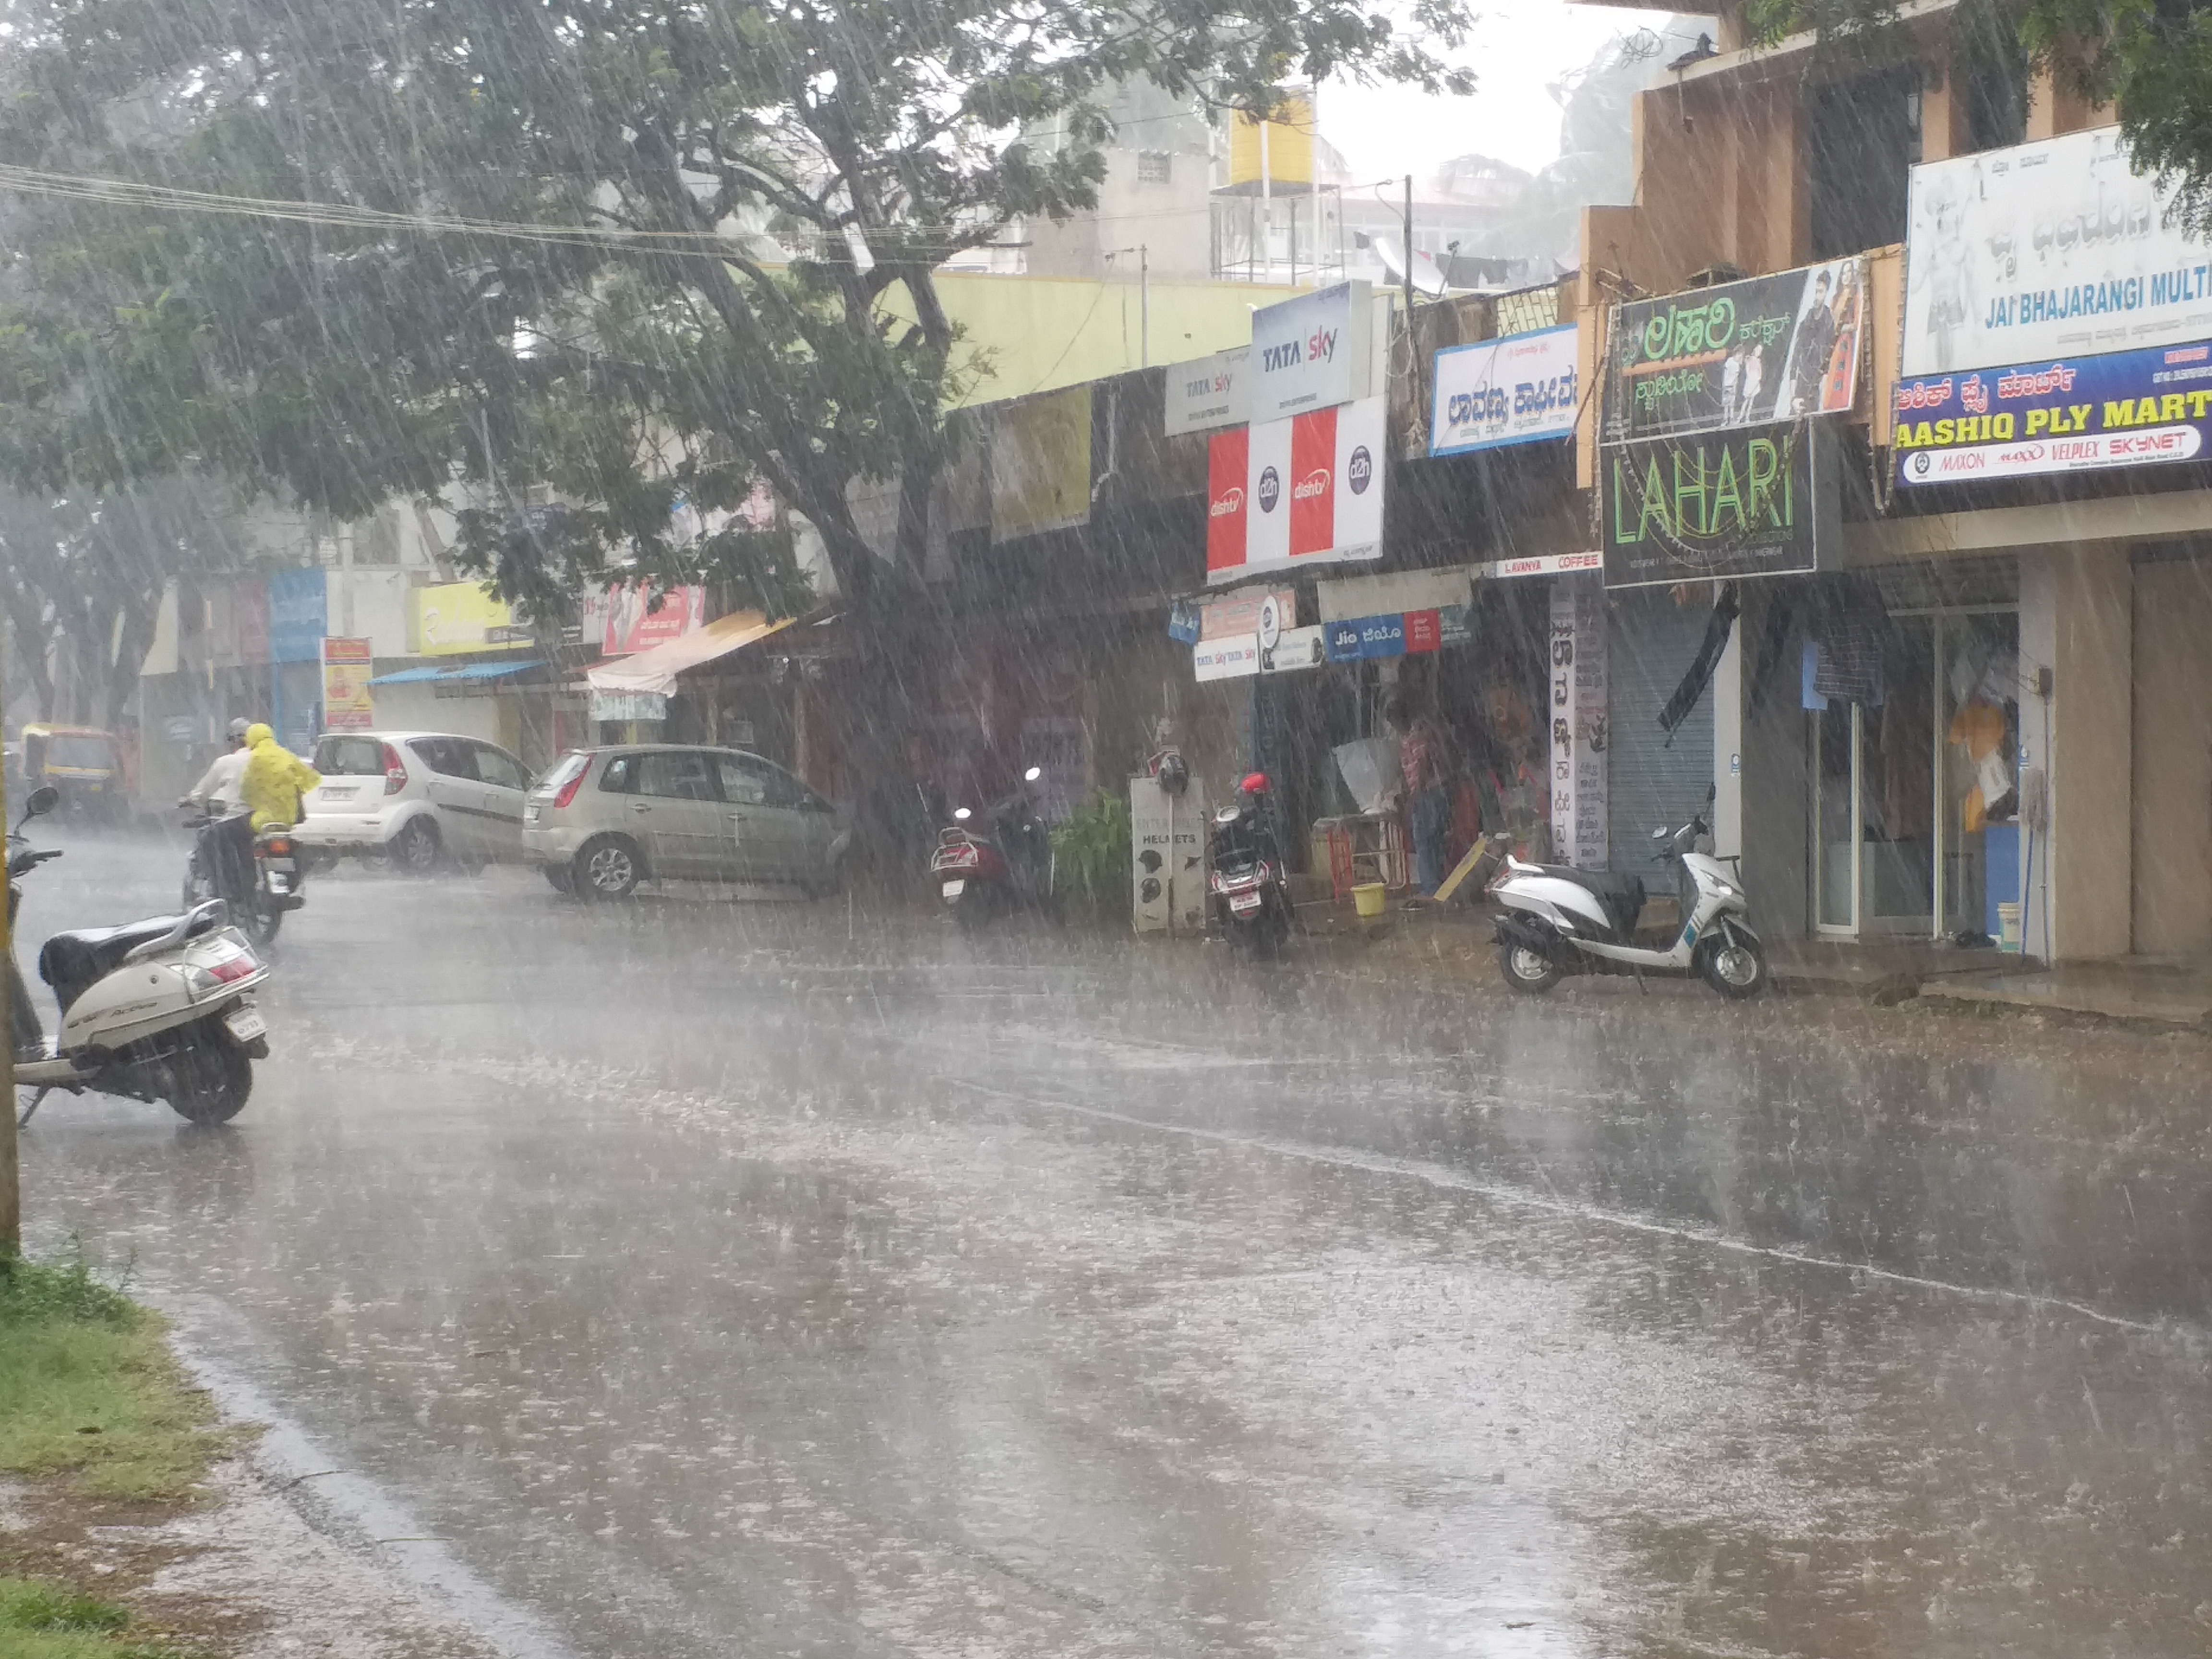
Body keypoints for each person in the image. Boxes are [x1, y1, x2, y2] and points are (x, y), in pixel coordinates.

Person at [1389, 696, 1452, 897]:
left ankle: (1430, 889)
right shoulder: (1416, 735)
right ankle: (1439, 887)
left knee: (1424, 841)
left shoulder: (1416, 736)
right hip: (1433, 791)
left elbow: (1423, 765)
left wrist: (1415, 795)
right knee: (1434, 841)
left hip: (1428, 792)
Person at [239, 722, 321, 830]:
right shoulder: (286, 755)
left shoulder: (252, 758)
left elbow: (245, 790)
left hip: (262, 820)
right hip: (289, 819)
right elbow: (312, 778)